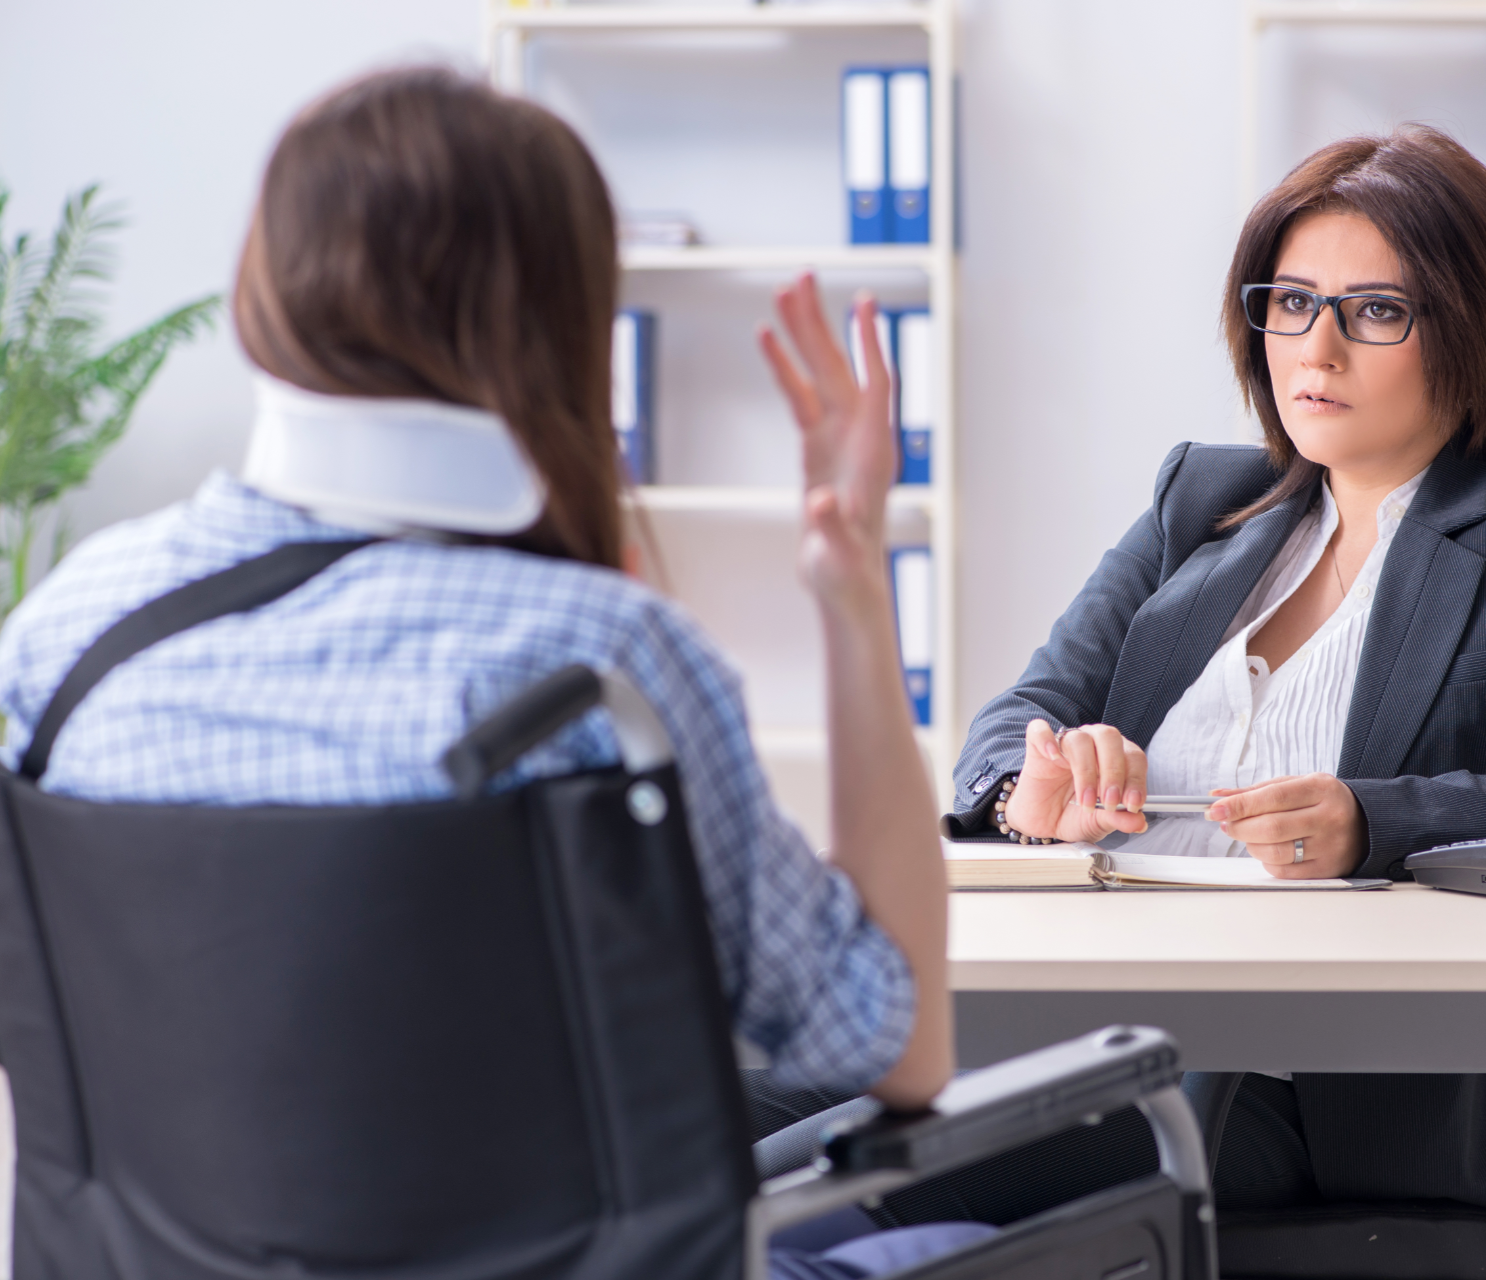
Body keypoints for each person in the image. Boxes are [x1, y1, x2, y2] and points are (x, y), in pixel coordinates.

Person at [0, 68, 988, 1280]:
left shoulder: (60, 650)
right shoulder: (600, 675)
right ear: (556, 320)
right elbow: (898, 1048)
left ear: (264, 285)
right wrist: (850, 591)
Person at [937, 126, 1486, 1218]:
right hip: (1102, 1021)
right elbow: (1017, 719)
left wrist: (1373, 822)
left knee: (843, 1154)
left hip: (1335, 1090)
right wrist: (1037, 786)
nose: (1316, 349)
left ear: (1473, 330)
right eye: (1292, 302)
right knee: (739, 1089)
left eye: (1376, 311)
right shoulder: (1199, 502)